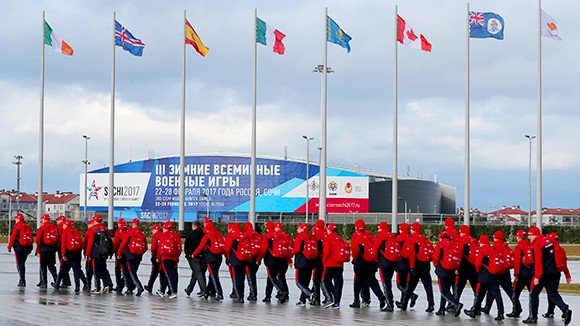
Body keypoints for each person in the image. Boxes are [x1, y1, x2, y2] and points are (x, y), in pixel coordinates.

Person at [523, 226, 572, 325]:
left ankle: (533, 317)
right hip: (555, 273)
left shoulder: (537, 245)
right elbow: (562, 258)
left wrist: (537, 276)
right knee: (553, 294)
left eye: (530, 235)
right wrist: (566, 273)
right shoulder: (552, 241)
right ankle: (565, 308)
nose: (529, 238)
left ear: (535, 235)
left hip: (543, 274)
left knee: (533, 294)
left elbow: (538, 262)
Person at [464, 235, 505, 321]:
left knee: (479, 295)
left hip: (484, 277)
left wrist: (478, 271)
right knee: (497, 295)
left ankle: (474, 311)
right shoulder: (493, 249)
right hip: (494, 276)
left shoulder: (482, 251)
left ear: (481, 242)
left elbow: (477, 264)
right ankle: (500, 313)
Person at [350, 219, 386, 310]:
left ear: (356, 227)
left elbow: (355, 251)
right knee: (372, 280)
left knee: (357, 282)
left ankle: (357, 301)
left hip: (361, 262)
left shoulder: (355, 236)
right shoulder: (369, 235)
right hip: (371, 262)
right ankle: (380, 295)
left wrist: (354, 260)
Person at [402, 222, 435, 312]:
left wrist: (412, 267)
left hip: (416, 266)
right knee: (428, 287)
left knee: (411, 286)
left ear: (413, 229)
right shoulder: (424, 239)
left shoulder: (412, 239)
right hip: (426, 266)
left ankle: (404, 303)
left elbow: (411, 254)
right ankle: (431, 304)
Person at [481, 230, 514, 316]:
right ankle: (517, 307)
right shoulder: (506, 246)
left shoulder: (495, 246)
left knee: (493, 290)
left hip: (498, 271)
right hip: (506, 271)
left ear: (495, 238)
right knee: (508, 291)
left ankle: (490, 308)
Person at [257, 222, 292, 303]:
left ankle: (281, 292)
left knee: (272, 278)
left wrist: (258, 260)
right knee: (280, 277)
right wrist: (289, 260)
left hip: (271, 260)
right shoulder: (282, 236)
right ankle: (276, 295)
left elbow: (263, 250)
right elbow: (288, 248)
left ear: (267, 228)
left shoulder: (267, 236)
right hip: (283, 259)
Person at [192, 219, 225, 301]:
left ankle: (220, 293)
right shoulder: (217, 233)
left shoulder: (207, 235)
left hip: (210, 258)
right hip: (219, 257)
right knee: (212, 275)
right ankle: (206, 292)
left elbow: (201, 246)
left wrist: (193, 254)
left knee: (214, 276)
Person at [432, 231, 463, 317]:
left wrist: (436, 266)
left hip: (443, 270)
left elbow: (435, 258)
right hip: (452, 271)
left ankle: (456, 304)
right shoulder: (453, 245)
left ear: (441, 238)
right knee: (447, 290)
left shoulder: (440, 245)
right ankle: (441, 309)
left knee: (444, 291)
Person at [542, 232, 572, 320]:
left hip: (548, 273)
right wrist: (567, 275)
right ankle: (550, 311)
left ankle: (564, 308)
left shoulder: (547, 248)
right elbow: (564, 263)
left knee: (552, 294)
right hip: (556, 273)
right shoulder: (560, 249)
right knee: (551, 292)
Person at [53, 220, 87, 292]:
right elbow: (81, 244)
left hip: (68, 253)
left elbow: (63, 245)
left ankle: (57, 284)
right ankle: (79, 285)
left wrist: (63, 254)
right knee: (77, 270)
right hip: (77, 253)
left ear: (66, 225)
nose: (63, 226)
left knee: (63, 270)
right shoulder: (77, 232)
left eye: (64, 225)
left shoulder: (65, 232)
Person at [322, 223, 349, 309]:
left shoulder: (328, 238)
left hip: (329, 264)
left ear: (329, 230)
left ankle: (331, 297)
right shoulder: (340, 239)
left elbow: (326, 252)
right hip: (339, 265)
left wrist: (323, 262)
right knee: (338, 284)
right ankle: (337, 303)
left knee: (326, 281)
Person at [85, 215, 114, 294]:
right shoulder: (105, 230)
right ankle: (107, 284)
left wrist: (87, 254)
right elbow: (110, 242)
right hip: (104, 253)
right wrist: (110, 253)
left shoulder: (92, 230)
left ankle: (97, 288)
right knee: (103, 269)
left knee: (96, 270)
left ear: (94, 221)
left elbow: (90, 243)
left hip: (95, 253)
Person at [118, 218, 147, 296]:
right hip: (138, 256)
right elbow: (146, 247)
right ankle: (130, 288)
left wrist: (119, 254)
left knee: (131, 272)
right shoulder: (142, 234)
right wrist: (140, 252)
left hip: (130, 256)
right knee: (133, 272)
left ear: (132, 224)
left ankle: (138, 287)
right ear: (139, 224)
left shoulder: (129, 233)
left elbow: (122, 245)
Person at [508, 229, 534, 318]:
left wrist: (516, 274)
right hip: (530, 272)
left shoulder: (519, 246)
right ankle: (532, 313)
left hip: (522, 274)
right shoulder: (530, 244)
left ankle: (516, 310)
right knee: (532, 294)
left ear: (519, 237)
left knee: (515, 293)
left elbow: (517, 262)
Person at [373, 221, 398, 311]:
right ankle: (391, 302)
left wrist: (376, 261)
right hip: (392, 262)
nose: (378, 230)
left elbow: (375, 250)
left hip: (383, 262)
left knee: (385, 284)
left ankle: (389, 304)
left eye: (379, 228)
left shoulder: (380, 236)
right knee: (389, 283)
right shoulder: (392, 236)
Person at [225, 223, 252, 303]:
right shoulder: (245, 235)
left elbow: (227, 249)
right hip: (244, 259)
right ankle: (242, 295)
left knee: (235, 278)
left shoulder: (230, 236)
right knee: (241, 278)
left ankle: (239, 296)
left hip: (235, 260)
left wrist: (228, 258)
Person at [394, 223, 417, 309]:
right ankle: (403, 302)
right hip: (410, 264)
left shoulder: (398, 238)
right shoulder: (411, 238)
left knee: (400, 284)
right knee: (406, 283)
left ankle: (411, 295)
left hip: (400, 263)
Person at [7, 214, 34, 287]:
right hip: (27, 247)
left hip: (19, 248)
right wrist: (31, 247)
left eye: (16, 219)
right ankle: (22, 279)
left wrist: (9, 246)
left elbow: (13, 237)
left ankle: (22, 280)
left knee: (20, 263)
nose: (15, 220)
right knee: (22, 263)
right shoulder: (27, 226)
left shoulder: (17, 226)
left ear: (19, 219)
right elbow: (31, 237)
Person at [293, 223, 316, 306]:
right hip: (310, 262)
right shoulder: (311, 237)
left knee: (298, 282)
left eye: (298, 228)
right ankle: (302, 300)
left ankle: (310, 294)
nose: (297, 230)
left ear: (302, 229)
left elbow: (296, 249)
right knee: (306, 282)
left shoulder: (299, 237)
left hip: (301, 262)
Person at [157, 221, 182, 298]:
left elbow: (159, 247)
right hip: (174, 258)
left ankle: (173, 291)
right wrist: (177, 257)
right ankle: (162, 290)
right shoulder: (176, 235)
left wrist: (158, 257)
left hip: (165, 257)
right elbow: (179, 248)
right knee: (172, 274)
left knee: (168, 274)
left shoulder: (163, 235)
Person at [455, 225, 479, 303]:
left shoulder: (461, 241)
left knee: (459, 287)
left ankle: (455, 304)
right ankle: (477, 306)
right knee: (475, 288)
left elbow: (459, 255)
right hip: (473, 267)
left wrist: (457, 268)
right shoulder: (474, 241)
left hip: (463, 267)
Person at [184, 220, 207, 297]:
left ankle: (204, 290)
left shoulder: (190, 235)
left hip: (194, 257)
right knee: (197, 273)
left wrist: (187, 256)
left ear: (193, 226)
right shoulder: (204, 234)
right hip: (203, 256)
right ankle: (189, 289)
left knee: (198, 273)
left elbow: (186, 246)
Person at [35, 214, 59, 288]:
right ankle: (56, 281)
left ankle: (44, 283)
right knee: (52, 266)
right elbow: (58, 239)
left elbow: (38, 240)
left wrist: (38, 249)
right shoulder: (54, 228)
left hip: (43, 249)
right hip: (52, 250)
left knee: (43, 266)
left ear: (44, 220)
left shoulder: (42, 228)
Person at [310, 219, 328, 306]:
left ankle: (317, 299)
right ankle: (327, 297)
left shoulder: (316, 236)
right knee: (323, 279)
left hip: (318, 260)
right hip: (327, 261)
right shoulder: (327, 234)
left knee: (316, 280)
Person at [243, 221, 261, 301]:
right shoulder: (257, 235)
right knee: (253, 275)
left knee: (250, 276)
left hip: (249, 257)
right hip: (257, 257)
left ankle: (253, 294)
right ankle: (253, 293)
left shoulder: (245, 235)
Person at [144, 224, 164, 294]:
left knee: (154, 271)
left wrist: (153, 255)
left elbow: (153, 247)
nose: (152, 231)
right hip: (163, 256)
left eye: (153, 229)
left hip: (156, 255)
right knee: (162, 272)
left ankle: (150, 286)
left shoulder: (155, 236)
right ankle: (163, 288)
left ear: (156, 229)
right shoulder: (163, 234)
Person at [112, 218, 128, 294]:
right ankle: (124, 284)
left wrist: (112, 252)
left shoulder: (119, 232)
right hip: (128, 253)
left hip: (119, 253)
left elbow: (115, 243)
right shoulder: (128, 231)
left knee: (118, 269)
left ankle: (119, 285)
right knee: (126, 270)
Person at [55, 215, 71, 288]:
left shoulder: (59, 227)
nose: (57, 222)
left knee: (63, 265)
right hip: (69, 249)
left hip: (61, 248)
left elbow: (58, 238)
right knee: (66, 265)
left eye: (58, 220)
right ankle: (67, 281)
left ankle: (64, 281)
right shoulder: (69, 228)